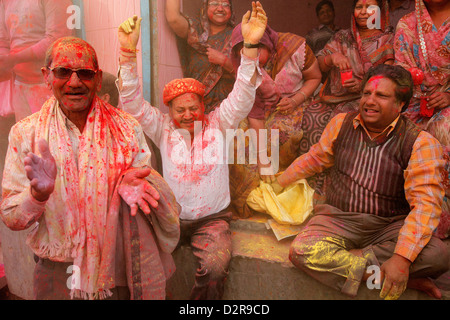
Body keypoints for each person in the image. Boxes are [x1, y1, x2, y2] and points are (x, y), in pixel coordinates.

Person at [0, 37, 181, 300]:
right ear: (46, 77)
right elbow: (11, 217)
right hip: (57, 272)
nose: (74, 82)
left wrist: (134, 181)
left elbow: (147, 194)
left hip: (116, 272)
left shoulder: (127, 128)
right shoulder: (26, 134)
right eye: (63, 72)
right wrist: (37, 195)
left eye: (84, 73)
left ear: (97, 79)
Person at [117, 2, 267, 299]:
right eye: (180, 109)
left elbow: (243, 94)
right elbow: (132, 104)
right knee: (133, 253)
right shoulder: (162, 127)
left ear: (203, 106)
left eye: (193, 108)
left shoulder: (219, 123)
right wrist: (126, 55)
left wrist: (250, 47)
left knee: (214, 267)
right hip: (170, 217)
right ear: (169, 110)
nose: (187, 115)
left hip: (212, 220)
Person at [276, 64, 449, 300]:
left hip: (388, 227)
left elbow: (426, 205)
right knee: (302, 251)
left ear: (400, 104)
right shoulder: (341, 124)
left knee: (438, 255)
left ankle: (358, 266)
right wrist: (279, 182)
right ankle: (388, 276)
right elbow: (315, 158)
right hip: (337, 219)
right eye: (367, 93)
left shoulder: (420, 143)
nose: (369, 101)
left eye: (381, 95)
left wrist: (400, 258)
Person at [228, 22, 322, 217]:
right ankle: (250, 204)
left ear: (265, 44)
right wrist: (262, 160)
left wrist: (296, 100)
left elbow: (315, 77)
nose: (249, 59)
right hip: (256, 110)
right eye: (242, 53)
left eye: (254, 51)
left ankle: (278, 196)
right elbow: (255, 113)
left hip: (291, 102)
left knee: (279, 136)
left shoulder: (296, 47)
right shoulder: (245, 65)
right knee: (238, 141)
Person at [394, 0, 450, 239]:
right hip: (416, 101)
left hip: (448, 99)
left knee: (442, 131)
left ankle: (440, 222)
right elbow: (401, 74)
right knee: (399, 136)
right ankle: (408, 219)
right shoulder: (406, 25)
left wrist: (448, 95)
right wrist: (419, 94)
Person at [0, 0, 74, 122]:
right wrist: (3, 60)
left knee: (51, 137)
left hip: (50, 83)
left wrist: (14, 59)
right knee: (25, 138)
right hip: (20, 84)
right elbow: (3, 40)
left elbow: (55, 41)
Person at [165, 0, 236, 114]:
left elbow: (249, 76)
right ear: (205, 7)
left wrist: (223, 61)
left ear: (231, 10)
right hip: (196, 111)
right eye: (214, 4)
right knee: (196, 131)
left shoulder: (238, 36)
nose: (220, 8)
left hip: (227, 112)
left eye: (225, 5)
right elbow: (173, 18)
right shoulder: (196, 30)